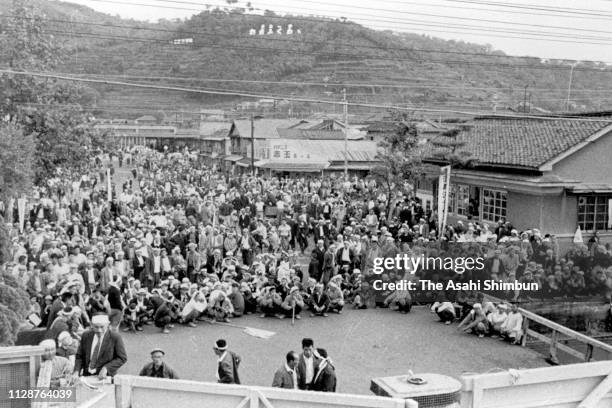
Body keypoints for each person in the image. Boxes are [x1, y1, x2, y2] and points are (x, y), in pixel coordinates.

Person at [73, 314, 127, 379]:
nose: (99, 330)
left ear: (107, 325)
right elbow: (79, 356)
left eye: (102, 327)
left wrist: (106, 368)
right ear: (92, 325)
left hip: (105, 377)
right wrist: (76, 371)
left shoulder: (115, 337)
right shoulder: (86, 335)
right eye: (96, 327)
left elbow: (122, 358)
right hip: (87, 376)